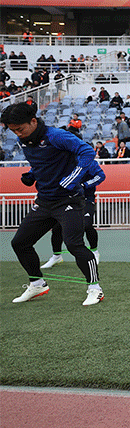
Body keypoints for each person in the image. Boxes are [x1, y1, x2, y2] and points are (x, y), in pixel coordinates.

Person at [2, 102, 105, 306]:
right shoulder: (25, 140)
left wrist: (74, 178)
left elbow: (87, 152)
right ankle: (38, 283)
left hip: (69, 201)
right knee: (20, 243)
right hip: (44, 201)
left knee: (74, 244)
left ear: (33, 121)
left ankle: (95, 288)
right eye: (12, 131)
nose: (17, 135)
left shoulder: (56, 135)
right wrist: (31, 175)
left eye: (20, 129)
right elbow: (46, 162)